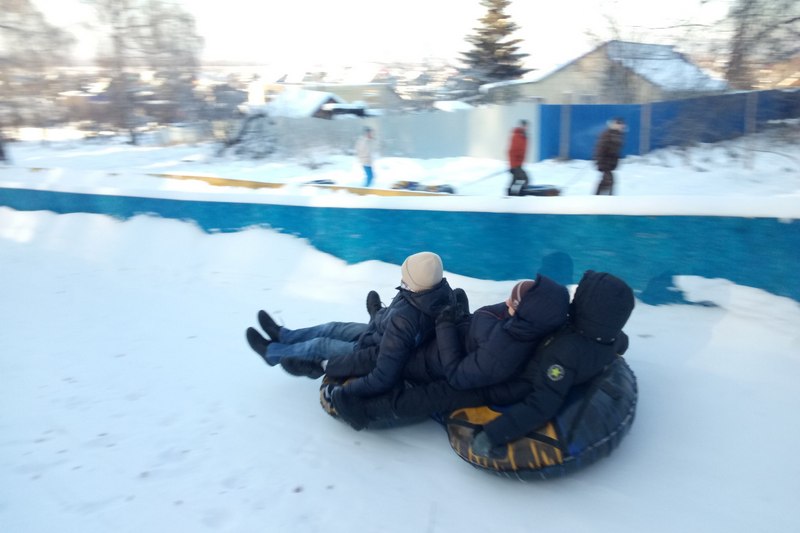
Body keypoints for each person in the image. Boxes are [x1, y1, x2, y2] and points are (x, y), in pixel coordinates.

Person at [328, 271, 635, 444]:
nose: (572, 302)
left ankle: (364, 409)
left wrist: (496, 434)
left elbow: (543, 402)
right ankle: (376, 321)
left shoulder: (563, 355)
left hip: (497, 381)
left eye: (580, 297)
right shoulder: (599, 336)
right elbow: (617, 341)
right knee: (413, 337)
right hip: (490, 350)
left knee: (431, 393)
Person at [284, 274, 570, 408]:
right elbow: (479, 326)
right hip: (436, 338)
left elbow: (456, 375)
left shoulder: (502, 354)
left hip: (425, 362)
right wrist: (458, 314)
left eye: (513, 301)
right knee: (353, 330)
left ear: (527, 315)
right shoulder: (515, 323)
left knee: (367, 354)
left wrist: (445, 326)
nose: (506, 301)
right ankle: (375, 318)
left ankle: (317, 364)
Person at [247, 251, 454, 398]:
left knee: (320, 345)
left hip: (372, 349)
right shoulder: (431, 292)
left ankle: (272, 353)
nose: (402, 279)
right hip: (378, 331)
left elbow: (388, 360)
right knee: (332, 327)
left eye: (406, 277)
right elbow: (396, 318)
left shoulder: (408, 317)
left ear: (416, 284)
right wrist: (378, 315)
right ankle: (284, 335)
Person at [593, 117, 626, 195]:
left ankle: (601, 197)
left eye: (622, 124)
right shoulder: (607, 134)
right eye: (619, 124)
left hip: (610, 163)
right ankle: (604, 198)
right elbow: (600, 148)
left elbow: (615, 150)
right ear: (614, 124)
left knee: (607, 180)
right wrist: (599, 161)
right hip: (604, 162)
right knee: (609, 179)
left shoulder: (618, 135)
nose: (621, 126)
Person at [507, 120, 529, 196]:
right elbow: (512, 151)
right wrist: (512, 166)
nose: (525, 128)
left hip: (518, 163)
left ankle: (512, 194)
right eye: (524, 126)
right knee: (524, 178)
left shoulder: (523, 136)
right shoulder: (517, 136)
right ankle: (516, 194)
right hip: (515, 164)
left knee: (517, 179)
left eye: (526, 126)